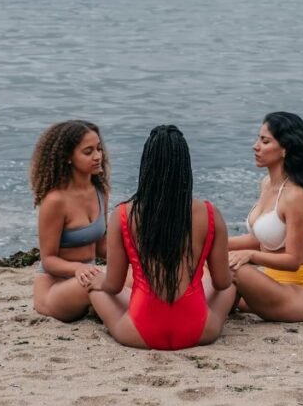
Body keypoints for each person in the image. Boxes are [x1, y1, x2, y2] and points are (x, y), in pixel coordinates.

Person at [86, 125, 235, 350]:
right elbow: (222, 282)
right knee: (231, 286)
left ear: (146, 166)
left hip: (140, 331)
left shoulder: (124, 214)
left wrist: (101, 280)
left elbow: (114, 285)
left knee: (95, 289)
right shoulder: (210, 213)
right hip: (198, 331)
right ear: (185, 166)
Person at [228, 112, 303, 322]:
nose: (255, 146)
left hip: (297, 296)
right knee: (205, 256)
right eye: (258, 139)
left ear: (285, 149)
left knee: (235, 269)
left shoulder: (296, 195)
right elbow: (262, 240)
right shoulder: (266, 184)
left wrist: (250, 255)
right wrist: (213, 242)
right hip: (268, 288)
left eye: (265, 141)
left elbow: (293, 260)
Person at [30, 120, 109, 322]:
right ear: (67, 157)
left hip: (87, 279)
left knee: (140, 275)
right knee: (98, 283)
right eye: (88, 151)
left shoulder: (100, 192)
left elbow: (101, 247)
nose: (97, 156)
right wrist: (78, 268)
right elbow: (48, 260)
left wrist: (136, 256)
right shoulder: (55, 201)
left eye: (99, 149)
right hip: (54, 289)